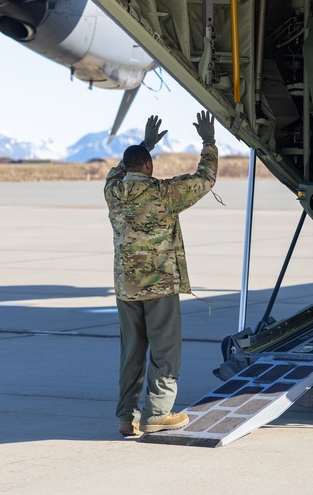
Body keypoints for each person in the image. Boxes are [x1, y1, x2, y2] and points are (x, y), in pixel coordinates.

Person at [104, 110, 218, 438]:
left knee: (132, 353)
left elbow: (116, 172)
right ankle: (157, 413)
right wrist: (208, 141)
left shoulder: (112, 192)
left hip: (127, 287)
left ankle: (128, 417)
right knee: (165, 352)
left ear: (126, 166)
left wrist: (145, 144)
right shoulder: (163, 194)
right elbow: (205, 179)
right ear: (149, 166)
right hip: (158, 285)